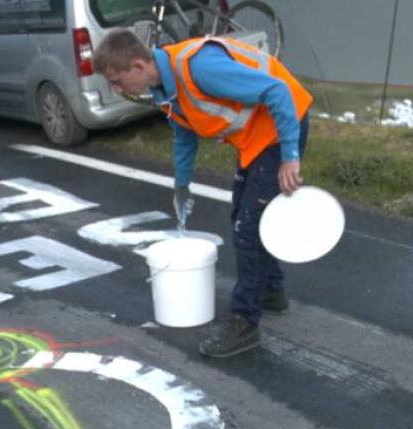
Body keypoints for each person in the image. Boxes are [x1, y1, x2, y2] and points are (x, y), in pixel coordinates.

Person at [94, 29, 313, 358]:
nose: (117, 89)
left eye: (117, 81)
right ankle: (270, 290)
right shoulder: (164, 88)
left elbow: (277, 91)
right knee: (244, 215)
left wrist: (290, 157)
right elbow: (184, 136)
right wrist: (182, 187)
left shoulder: (199, 68)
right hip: (255, 137)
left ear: (138, 66)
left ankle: (244, 322)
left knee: (249, 227)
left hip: (282, 126)